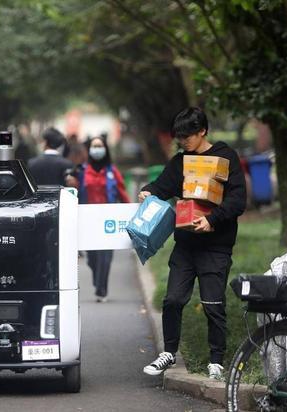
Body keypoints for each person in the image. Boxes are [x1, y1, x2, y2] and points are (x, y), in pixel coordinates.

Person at [140, 107, 246, 380]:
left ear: (202, 131)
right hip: (186, 244)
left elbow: (237, 200)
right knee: (173, 299)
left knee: (213, 304)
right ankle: (168, 353)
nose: (183, 141)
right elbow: (163, 186)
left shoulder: (225, 157)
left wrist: (213, 219)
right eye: (180, 137)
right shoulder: (181, 162)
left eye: (188, 136)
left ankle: (216, 360)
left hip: (215, 245)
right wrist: (149, 191)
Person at [83, 136, 130, 302]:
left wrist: (130, 212)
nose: (97, 149)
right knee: (92, 258)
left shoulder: (112, 171)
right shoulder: (83, 170)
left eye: (99, 146)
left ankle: (102, 290)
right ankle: (98, 281)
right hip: (88, 220)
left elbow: (123, 193)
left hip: (108, 220)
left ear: (105, 149)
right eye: (94, 146)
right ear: (89, 149)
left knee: (105, 256)